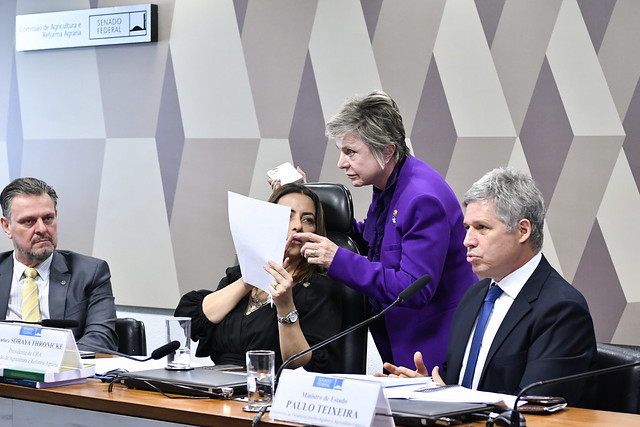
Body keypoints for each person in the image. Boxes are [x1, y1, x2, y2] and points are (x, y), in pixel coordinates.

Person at [271, 91, 476, 370]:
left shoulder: (422, 198)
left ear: (387, 150)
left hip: (434, 349)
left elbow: (413, 289)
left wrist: (337, 259)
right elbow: (375, 240)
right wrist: (305, 199)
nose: (341, 163)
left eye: (350, 152)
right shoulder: (388, 182)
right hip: (400, 342)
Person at [381, 167, 597, 405]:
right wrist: (427, 388)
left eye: (482, 228)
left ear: (523, 231)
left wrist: (451, 397)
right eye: (467, 228)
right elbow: (455, 384)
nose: (467, 241)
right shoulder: (474, 296)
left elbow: (535, 405)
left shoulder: (562, 309)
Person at [175, 183, 344, 373]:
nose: (298, 225)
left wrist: (285, 305)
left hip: (269, 385)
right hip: (218, 384)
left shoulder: (318, 288)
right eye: (287, 216)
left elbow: (300, 364)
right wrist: (253, 273)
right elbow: (195, 320)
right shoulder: (238, 275)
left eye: (307, 219)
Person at [0, 177, 118, 351]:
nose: (42, 229)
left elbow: (101, 338)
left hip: (64, 367)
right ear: (7, 226)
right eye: (29, 221)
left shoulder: (90, 273)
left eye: (48, 218)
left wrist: (50, 361)